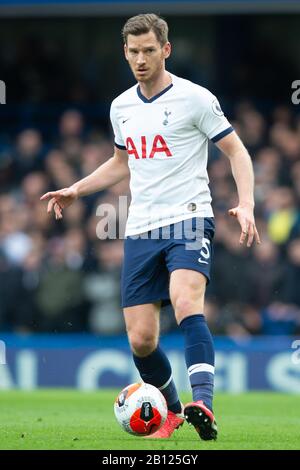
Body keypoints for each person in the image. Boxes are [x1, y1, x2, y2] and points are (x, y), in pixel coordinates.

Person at [41, 13, 260, 441]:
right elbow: (122, 163)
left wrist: (246, 203)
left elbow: (237, 152)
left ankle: (205, 403)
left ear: (166, 50)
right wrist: (76, 190)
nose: (141, 59)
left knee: (185, 302)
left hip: (189, 218)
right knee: (141, 340)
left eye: (149, 50)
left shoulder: (195, 98)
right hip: (141, 229)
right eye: (134, 51)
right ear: (125, 52)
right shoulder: (121, 106)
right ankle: (175, 414)